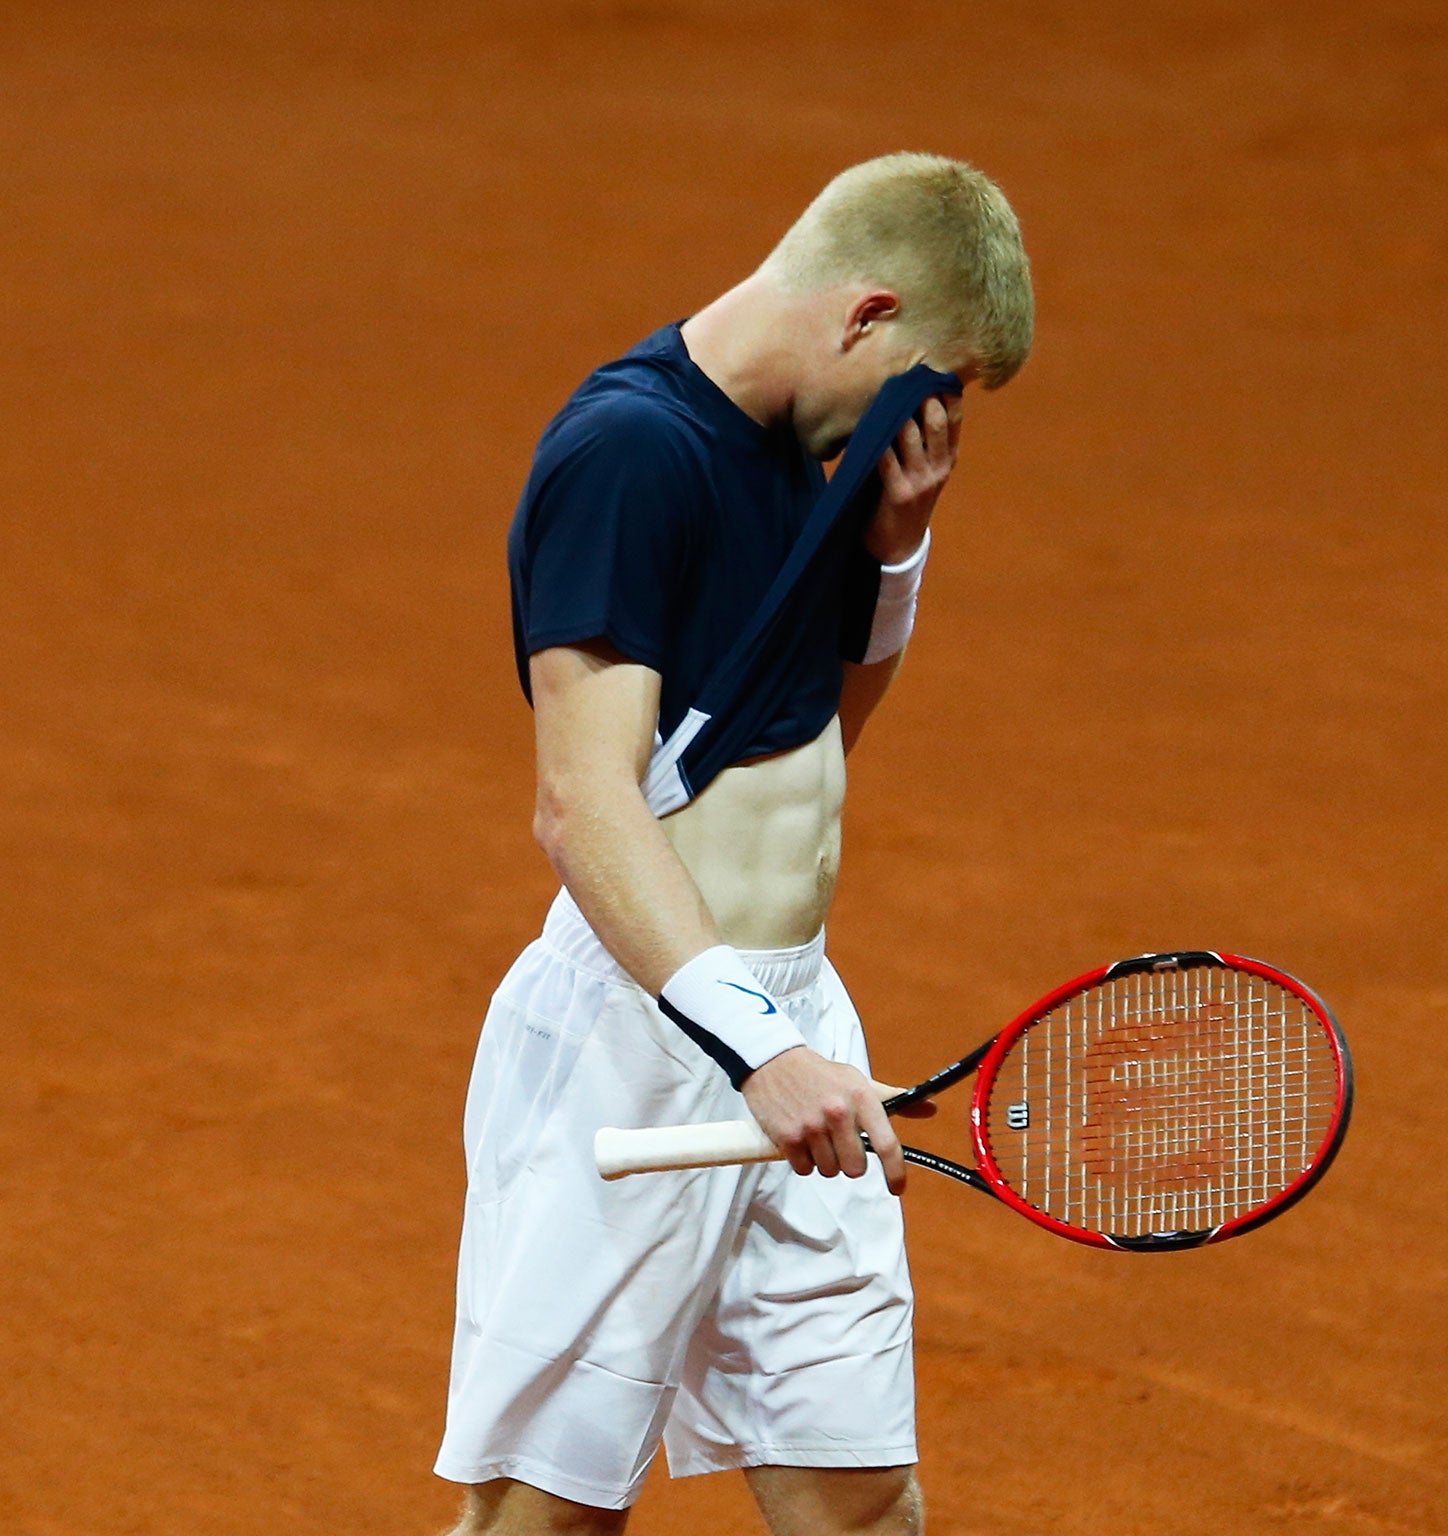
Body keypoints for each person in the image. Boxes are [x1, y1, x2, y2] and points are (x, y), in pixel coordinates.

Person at [433, 153, 1033, 1536]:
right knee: (544, 1518)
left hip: (792, 1023)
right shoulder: (631, 455)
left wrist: (895, 554)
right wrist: (752, 1049)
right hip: (646, 1040)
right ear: (867, 314)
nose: (929, 419)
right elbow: (584, 805)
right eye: (930, 381)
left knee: (861, 1504)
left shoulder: (809, 460)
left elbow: (811, 746)